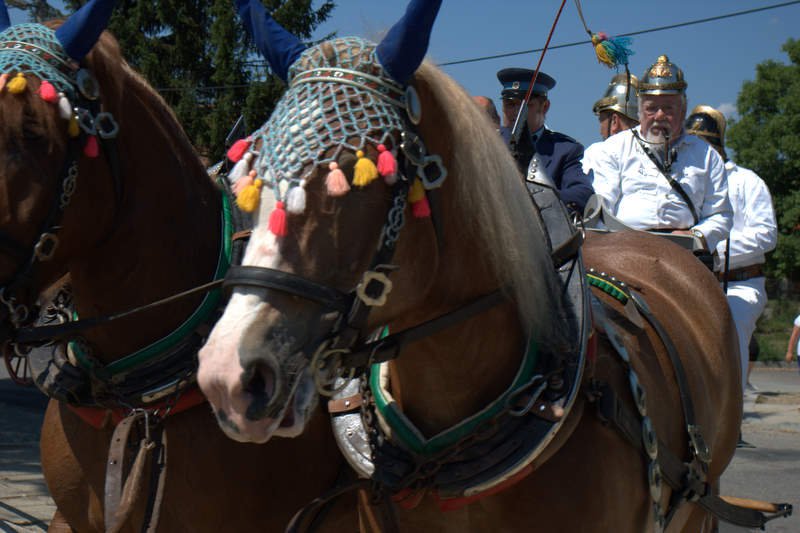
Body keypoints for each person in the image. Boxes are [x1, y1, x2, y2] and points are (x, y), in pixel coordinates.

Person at [586, 55, 732, 254]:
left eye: (668, 108)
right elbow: (602, 208)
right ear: (640, 110)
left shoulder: (707, 156)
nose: (660, 116)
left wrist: (696, 236)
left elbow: (720, 215)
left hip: (686, 254)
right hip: (625, 250)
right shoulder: (613, 149)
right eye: (651, 108)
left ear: (683, 109)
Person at [685, 104, 778, 393]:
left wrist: (712, 251)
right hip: (693, 282)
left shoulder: (747, 181)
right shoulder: (686, 182)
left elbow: (766, 235)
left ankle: (731, 416)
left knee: (732, 329)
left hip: (740, 283)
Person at [497, 67, 594, 213]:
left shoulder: (564, 150)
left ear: (545, 107)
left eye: (525, 106)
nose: (516, 112)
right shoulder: (487, 143)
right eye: (510, 105)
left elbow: (582, 193)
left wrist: (537, 199)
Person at [582, 73, 640, 174]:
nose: (600, 131)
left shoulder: (597, 152)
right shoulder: (659, 155)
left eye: (601, 122)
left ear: (614, 121)